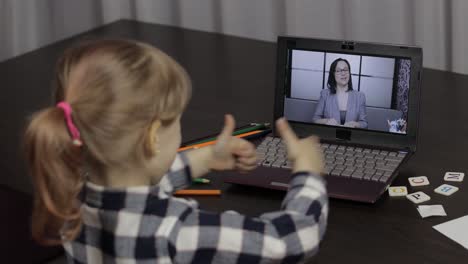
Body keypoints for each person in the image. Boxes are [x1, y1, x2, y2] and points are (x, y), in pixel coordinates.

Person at [24, 39, 328, 263]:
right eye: (177, 121)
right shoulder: (177, 231)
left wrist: (206, 158)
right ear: (154, 136)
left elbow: (135, 186)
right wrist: (307, 172)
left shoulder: (69, 197)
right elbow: (289, 240)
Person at [312, 58, 368, 128]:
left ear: (349, 72)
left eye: (345, 70)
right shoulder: (324, 94)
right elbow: (315, 119)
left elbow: (364, 123)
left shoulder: (360, 96)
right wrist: (326, 121)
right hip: (329, 136)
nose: (343, 73)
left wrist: (356, 124)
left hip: (352, 138)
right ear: (333, 74)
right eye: (338, 71)